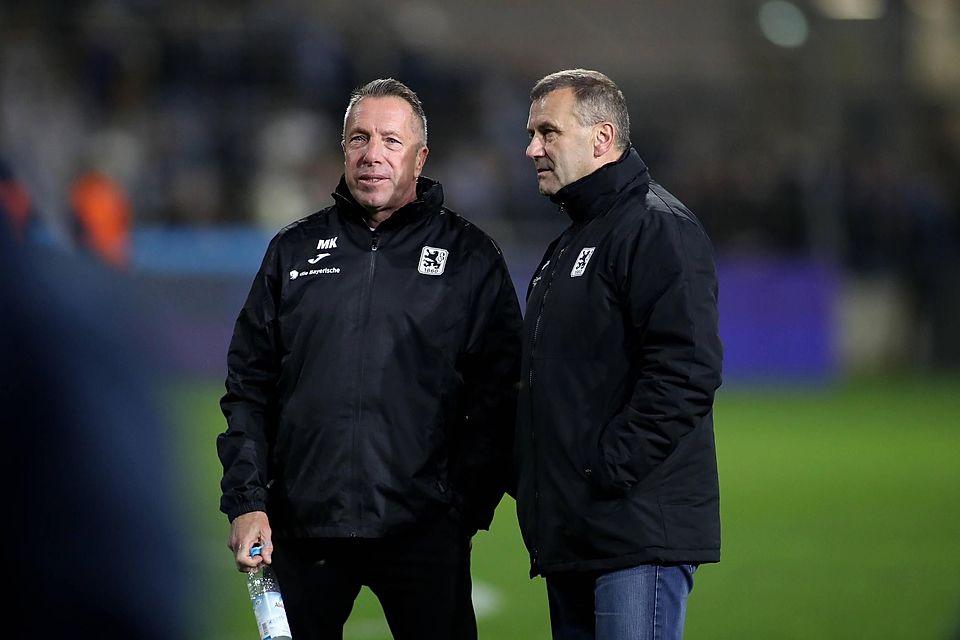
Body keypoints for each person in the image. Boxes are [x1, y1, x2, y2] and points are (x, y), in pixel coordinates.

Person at [217, 78, 522, 640]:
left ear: (420, 155)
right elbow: (249, 386)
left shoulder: (471, 258)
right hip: (304, 531)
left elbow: (500, 395)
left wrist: (460, 511)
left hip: (423, 532)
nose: (373, 155)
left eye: (390, 140)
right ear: (343, 150)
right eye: (359, 139)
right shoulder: (293, 251)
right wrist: (247, 502)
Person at [514, 69, 723, 639]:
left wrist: (605, 468)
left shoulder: (656, 227)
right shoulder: (577, 240)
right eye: (532, 134)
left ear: (602, 138)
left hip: (631, 529)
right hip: (579, 530)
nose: (532, 148)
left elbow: (687, 369)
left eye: (548, 132)